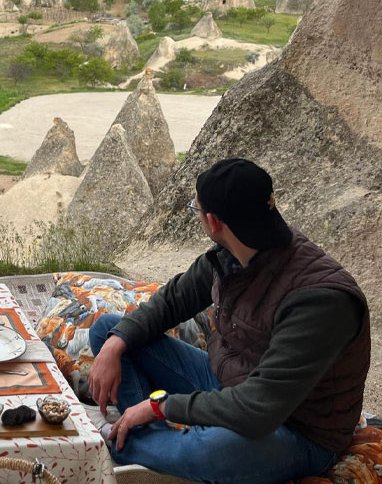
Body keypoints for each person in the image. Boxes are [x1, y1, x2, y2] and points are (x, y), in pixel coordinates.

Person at [87, 158, 369, 484]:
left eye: (196, 209)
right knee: (108, 332)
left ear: (213, 221)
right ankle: (149, 441)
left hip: (295, 429)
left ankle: (127, 442)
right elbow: (173, 300)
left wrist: (158, 406)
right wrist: (115, 345)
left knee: (213, 451)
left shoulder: (319, 301)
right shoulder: (234, 252)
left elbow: (259, 408)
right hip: (226, 381)